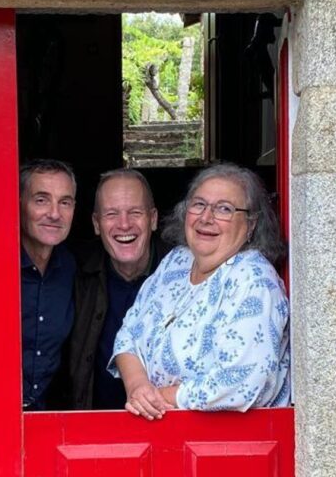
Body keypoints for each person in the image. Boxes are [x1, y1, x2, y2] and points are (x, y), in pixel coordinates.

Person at [110, 163, 290, 418]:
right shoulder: (177, 261)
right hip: (159, 435)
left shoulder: (254, 279)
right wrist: (138, 387)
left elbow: (240, 383)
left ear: (250, 224)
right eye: (199, 205)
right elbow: (128, 334)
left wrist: (157, 399)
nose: (206, 218)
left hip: (228, 447)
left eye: (224, 209)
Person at [68, 169, 171, 410]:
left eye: (135, 212)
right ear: (96, 223)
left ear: (153, 218)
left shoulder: (184, 271)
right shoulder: (73, 270)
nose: (124, 224)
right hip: (90, 427)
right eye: (111, 214)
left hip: (166, 423)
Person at [20, 159, 77, 410]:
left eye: (64, 202)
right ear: (19, 204)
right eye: (41, 200)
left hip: (46, 416)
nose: (54, 214)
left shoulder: (73, 268)